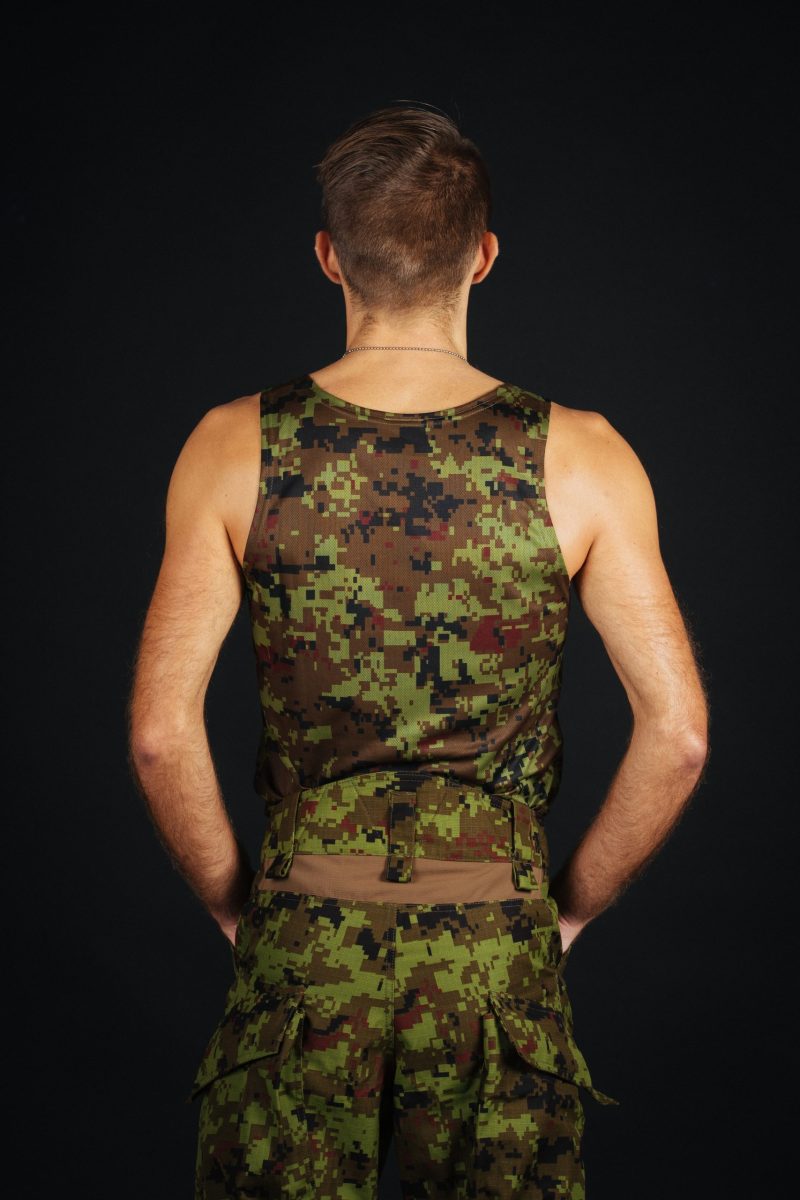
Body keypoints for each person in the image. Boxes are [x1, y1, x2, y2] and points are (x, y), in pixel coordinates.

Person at [127, 100, 709, 1199]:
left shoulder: (233, 445)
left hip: (302, 936)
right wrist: (567, 910)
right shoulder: (583, 457)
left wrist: (239, 909)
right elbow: (677, 738)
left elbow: (161, 736)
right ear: (482, 256)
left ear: (328, 257)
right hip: (497, 942)